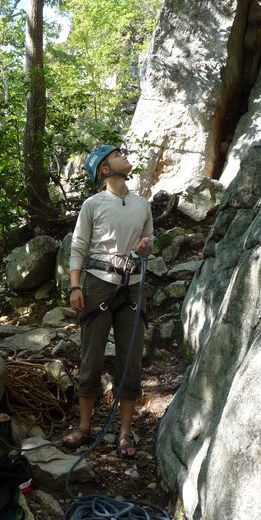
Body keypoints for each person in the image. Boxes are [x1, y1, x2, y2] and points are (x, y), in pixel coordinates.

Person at [64, 145, 154, 458]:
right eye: (116, 154)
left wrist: (145, 246)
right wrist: (75, 287)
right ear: (104, 169)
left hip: (132, 286)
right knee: (91, 358)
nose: (123, 155)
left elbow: (149, 239)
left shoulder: (142, 204)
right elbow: (78, 246)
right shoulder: (93, 204)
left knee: (130, 360)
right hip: (97, 286)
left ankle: (125, 433)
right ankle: (85, 427)